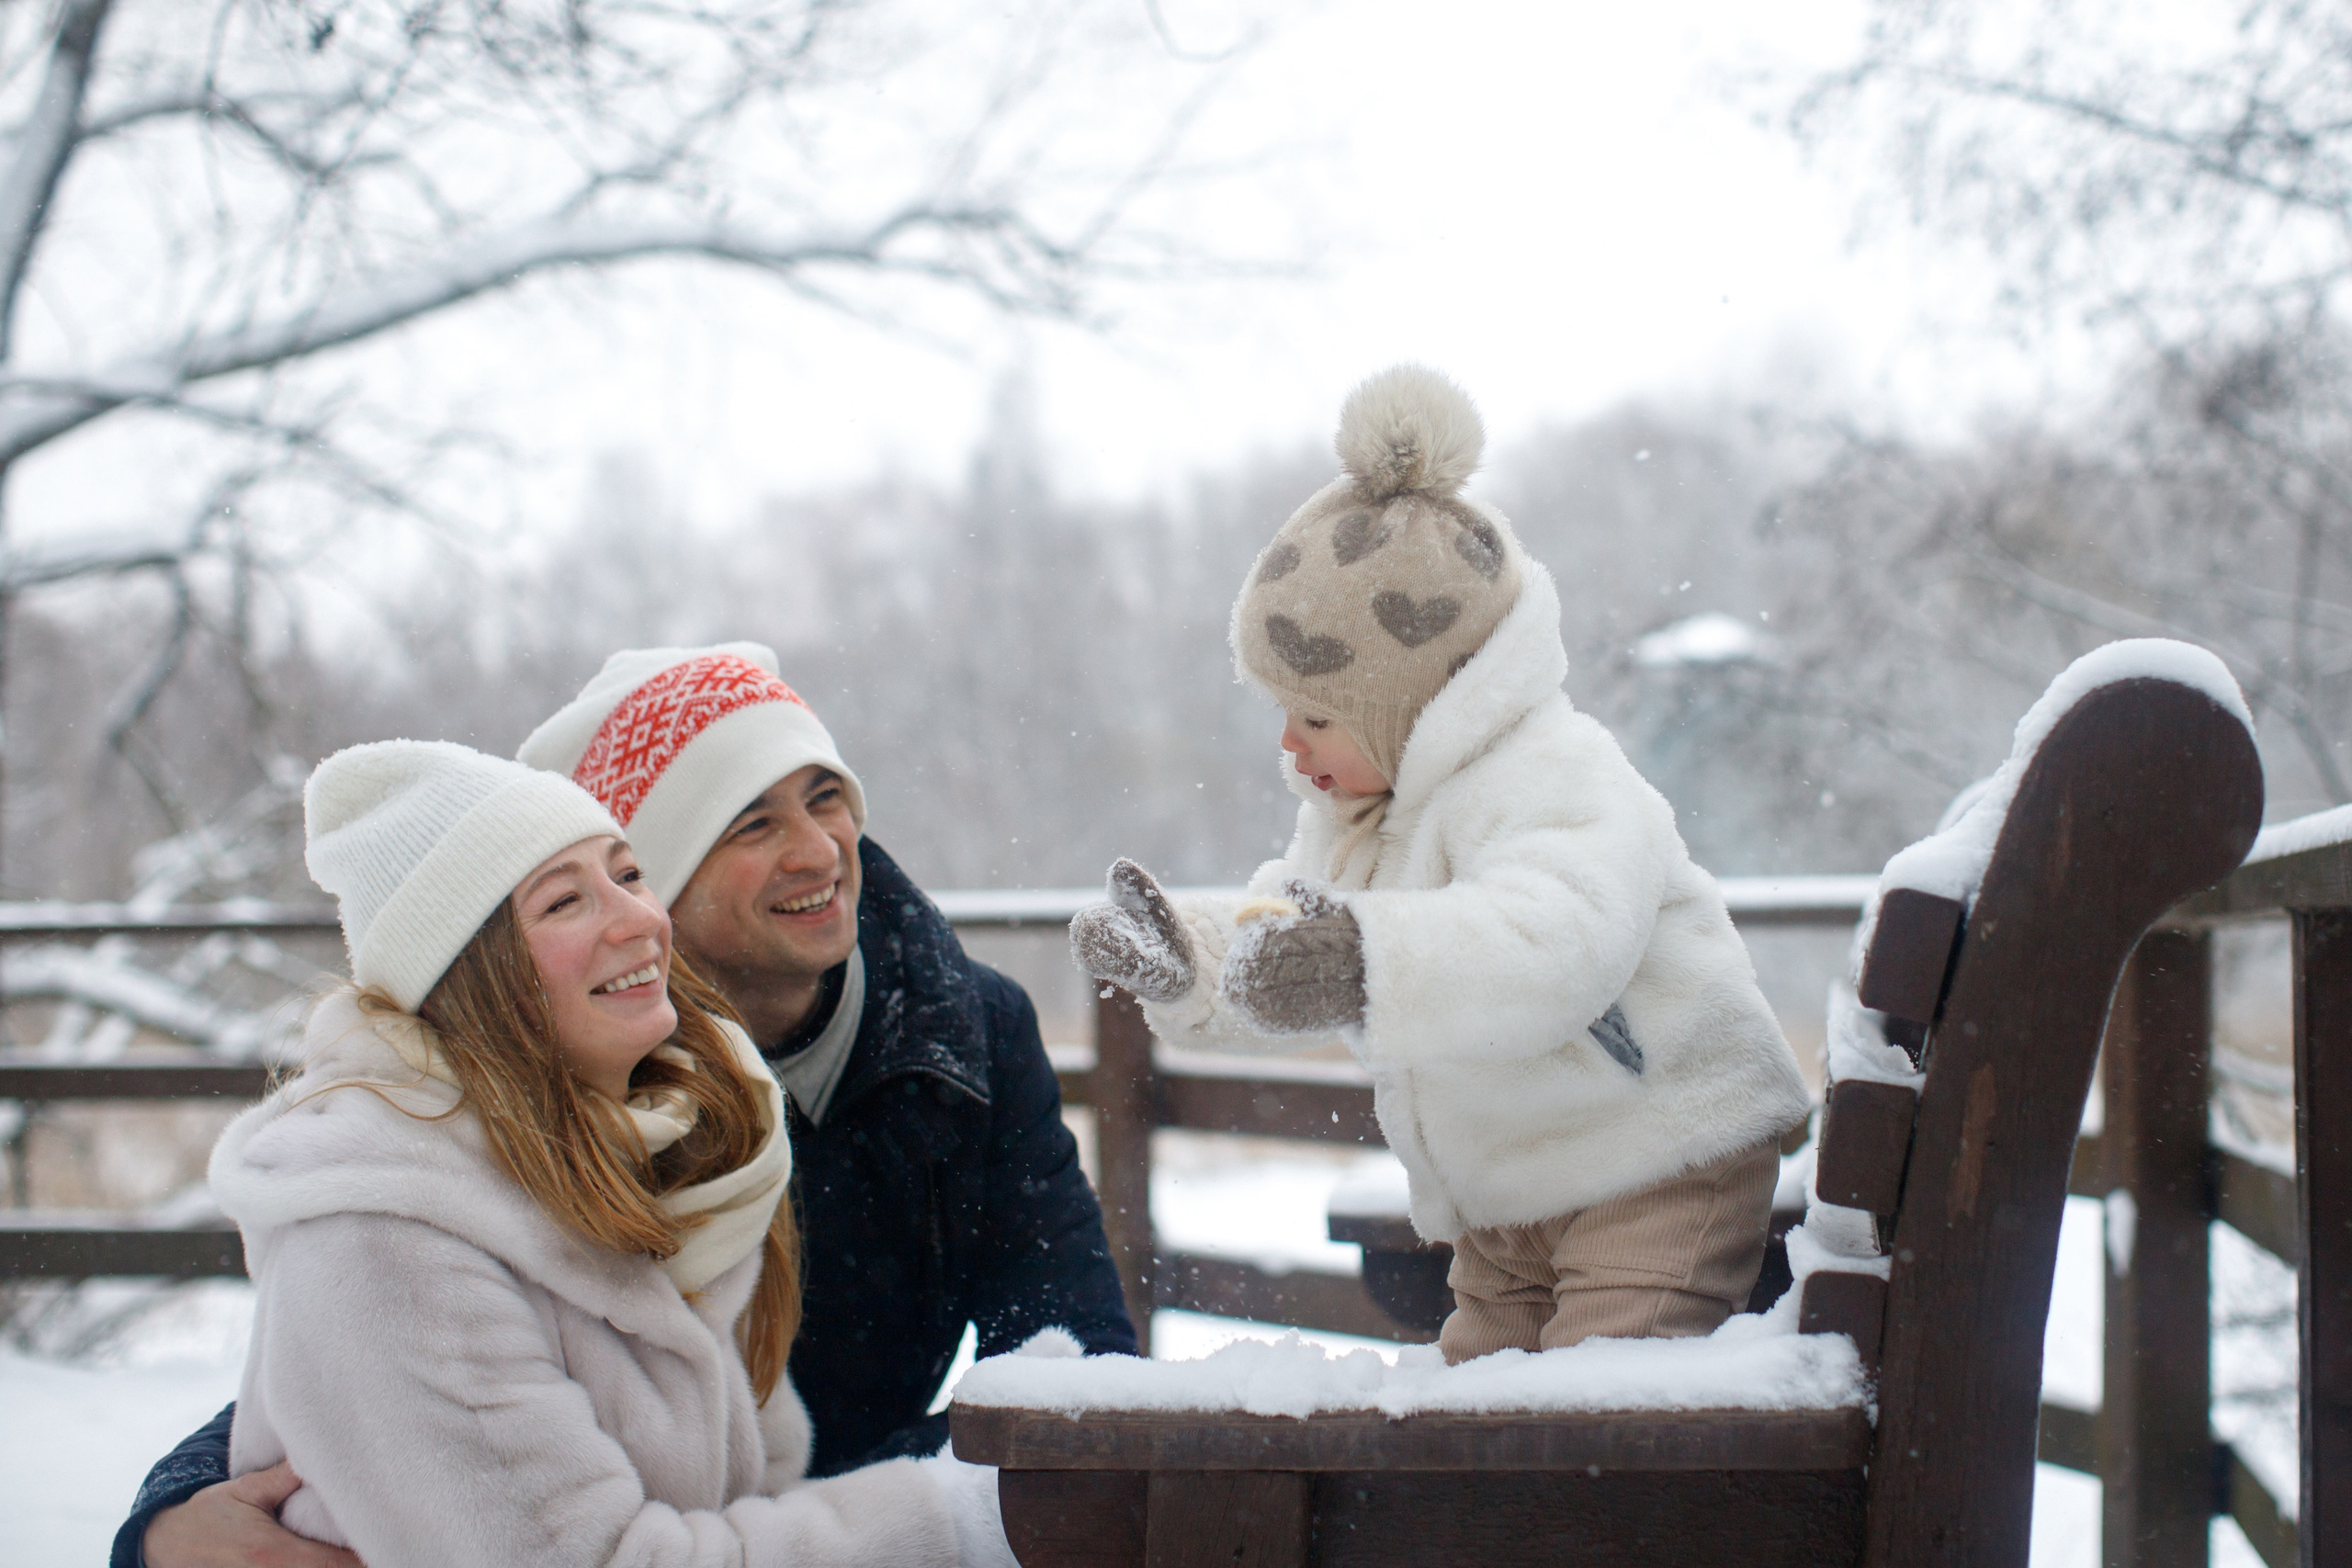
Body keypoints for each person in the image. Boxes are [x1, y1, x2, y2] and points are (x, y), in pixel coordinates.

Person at [121, 648, 1131, 1567]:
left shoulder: (944, 1038)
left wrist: (928, 1500)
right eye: (750, 823)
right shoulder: (564, 1102)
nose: (818, 853)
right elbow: (402, 1370)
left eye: (827, 798)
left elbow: (1072, 1364)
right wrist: (175, 1515)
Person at [1071, 365, 1813, 1364]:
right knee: (1473, 1421)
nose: (1290, 745)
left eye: (1317, 714)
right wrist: (1198, 962)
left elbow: (1552, 947)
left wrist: (1364, 960)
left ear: (1414, 703)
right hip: (1507, 1195)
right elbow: (1290, 938)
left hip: (1655, 1159)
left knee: (1599, 1418)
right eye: (1281, 712)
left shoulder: (1558, 773)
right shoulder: (1359, 814)